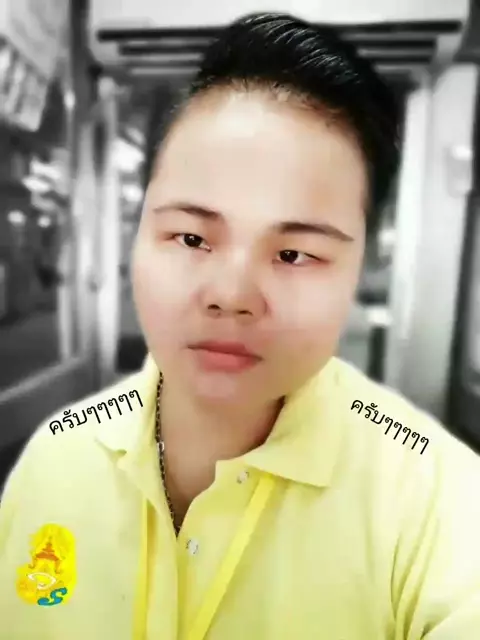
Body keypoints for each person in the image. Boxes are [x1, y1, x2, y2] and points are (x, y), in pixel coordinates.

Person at [1, 12, 479, 640]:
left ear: (361, 268)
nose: (231, 297)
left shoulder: (439, 501)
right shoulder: (57, 458)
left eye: (294, 254)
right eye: (191, 237)